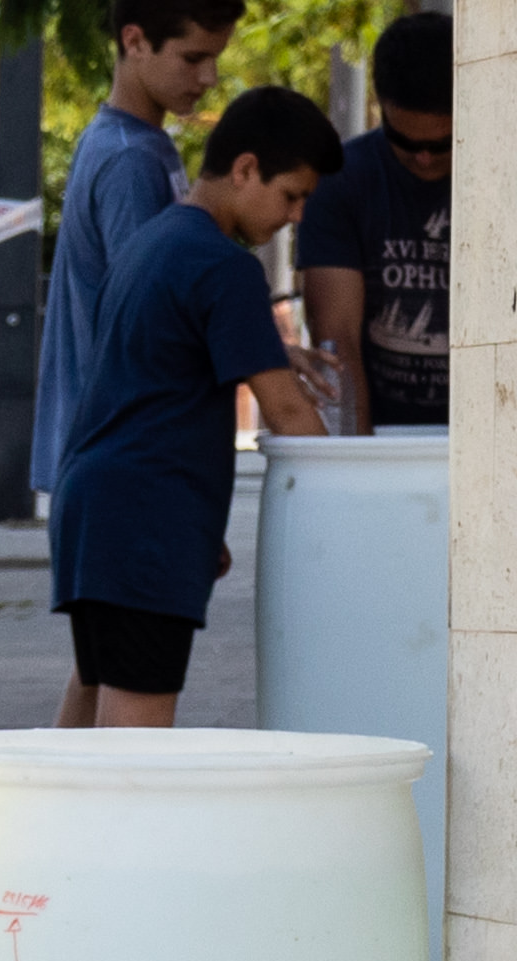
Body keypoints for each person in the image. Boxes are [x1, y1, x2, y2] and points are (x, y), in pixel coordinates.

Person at [52, 87, 340, 726]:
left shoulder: (150, 243)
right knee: (133, 748)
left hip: (94, 511)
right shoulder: (224, 267)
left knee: (91, 699)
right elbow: (288, 412)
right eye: (291, 195)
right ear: (245, 169)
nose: (296, 215)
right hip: (145, 518)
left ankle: (42, 801)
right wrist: (351, 511)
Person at [31, 0, 245, 497]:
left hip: (111, 453)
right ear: (134, 41)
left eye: (215, 58)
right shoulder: (130, 159)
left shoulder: (130, 142)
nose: (209, 77)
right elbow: (152, 319)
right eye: (192, 58)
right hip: (119, 459)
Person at [299, 10, 452, 432]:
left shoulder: (510, 177)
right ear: (379, 107)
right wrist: (360, 452)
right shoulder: (341, 181)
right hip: (381, 430)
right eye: (404, 141)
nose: (423, 158)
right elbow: (338, 340)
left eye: (441, 144)